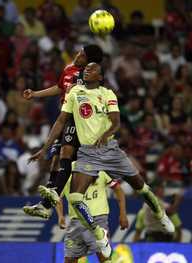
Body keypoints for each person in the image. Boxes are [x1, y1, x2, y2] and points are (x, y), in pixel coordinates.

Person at [28, 62, 175, 258]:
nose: (87, 70)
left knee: (140, 186)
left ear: (100, 76)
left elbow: (116, 122)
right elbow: (61, 121)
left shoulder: (107, 94)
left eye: (93, 69)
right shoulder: (74, 93)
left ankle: (160, 214)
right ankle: (99, 234)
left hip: (110, 150)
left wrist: (106, 135)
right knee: (75, 197)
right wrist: (45, 148)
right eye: (86, 68)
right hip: (87, 153)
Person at [23, 45, 103, 219]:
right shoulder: (69, 69)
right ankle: (46, 204)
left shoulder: (88, 77)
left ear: (88, 61)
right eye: (79, 52)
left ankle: (49, 203)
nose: (77, 55)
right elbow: (59, 88)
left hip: (80, 120)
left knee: (65, 154)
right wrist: (35, 94)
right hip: (66, 117)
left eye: (82, 55)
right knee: (56, 159)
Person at [56, 170, 128, 263]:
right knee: (69, 259)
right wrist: (60, 216)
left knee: (104, 257)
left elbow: (118, 190)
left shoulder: (100, 171)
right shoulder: (66, 173)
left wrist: (123, 214)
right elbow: (57, 196)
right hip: (76, 222)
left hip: (98, 220)